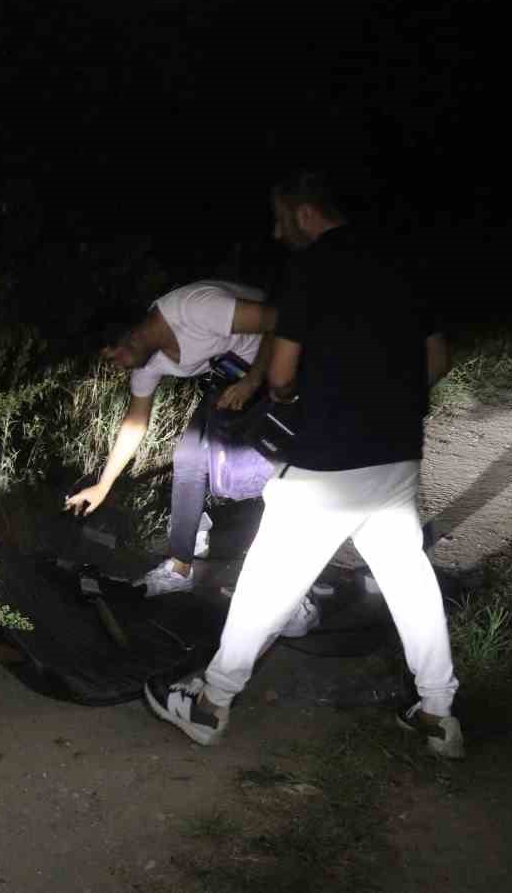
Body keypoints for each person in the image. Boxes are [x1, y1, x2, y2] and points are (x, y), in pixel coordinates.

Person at [144, 172, 464, 758]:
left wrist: (290, 398)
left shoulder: (312, 269)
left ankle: (210, 704)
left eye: (280, 219)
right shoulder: (402, 267)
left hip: (327, 460)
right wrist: (383, 401)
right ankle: (438, 713)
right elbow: (437, 359)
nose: (276, 231)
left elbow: (284, 373)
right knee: (409, 580)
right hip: (394, 455)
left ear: (307, 214)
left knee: (266, 581)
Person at [64, 280, 299, 612]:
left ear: (131, 335)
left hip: (280, 369)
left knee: (281, 474)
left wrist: (253, 380)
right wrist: (103, 485)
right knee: (188, 456)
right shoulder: (147, 361)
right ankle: (180, 567)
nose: (115, 365)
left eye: (113, 356)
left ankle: (294, 580)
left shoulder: (193, 309)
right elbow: (135, 423)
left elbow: (280, 319)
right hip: (233, 381)